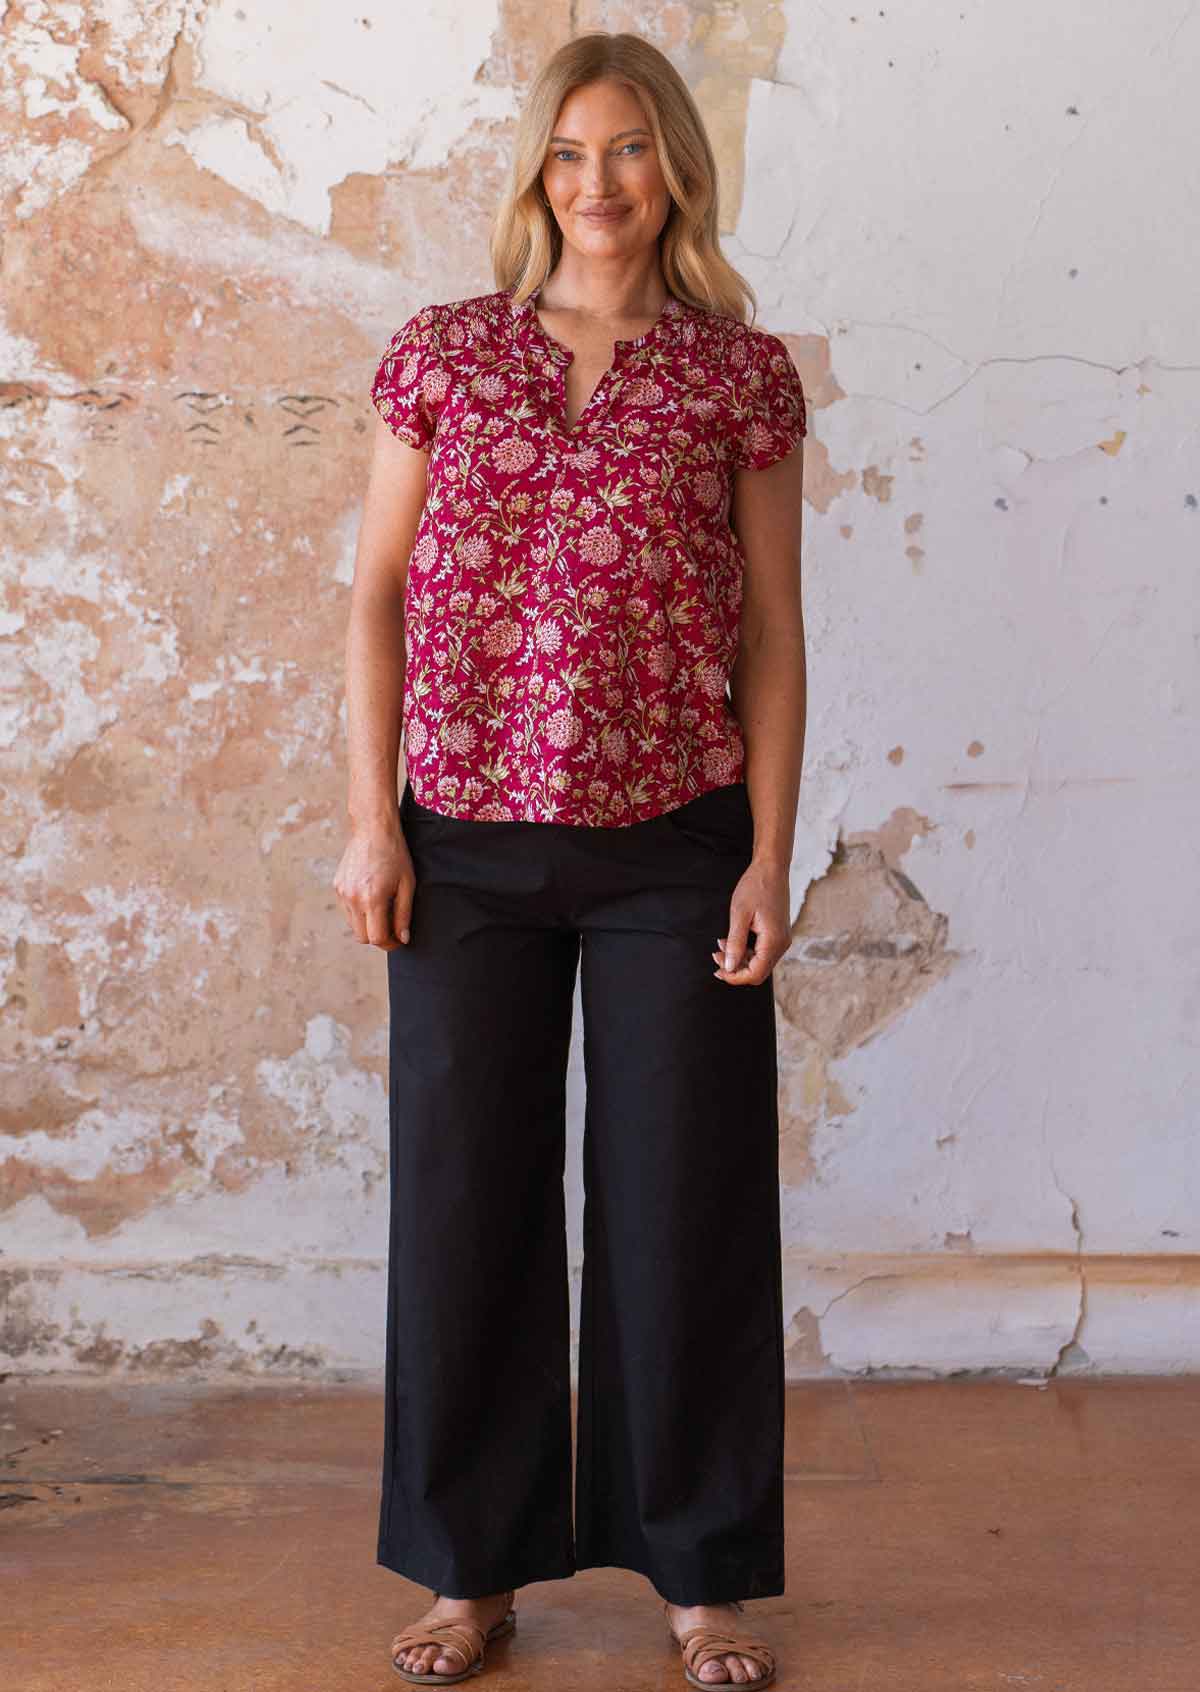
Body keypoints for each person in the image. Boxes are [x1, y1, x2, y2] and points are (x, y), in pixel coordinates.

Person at [334, 28, 807, 1691]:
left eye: (629, 150)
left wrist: (767, 853)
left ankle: (700, 1578)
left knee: (686, 1205)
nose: (598, 182)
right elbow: (377, 595)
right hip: (463, 837)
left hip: (676, 837)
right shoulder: (446, 356)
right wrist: (368, 817)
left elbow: (769, 635)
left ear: (673, 162)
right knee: (469, 1204)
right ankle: (474, 1574)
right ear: (535, 171)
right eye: (569, 151)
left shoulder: (737, 374)